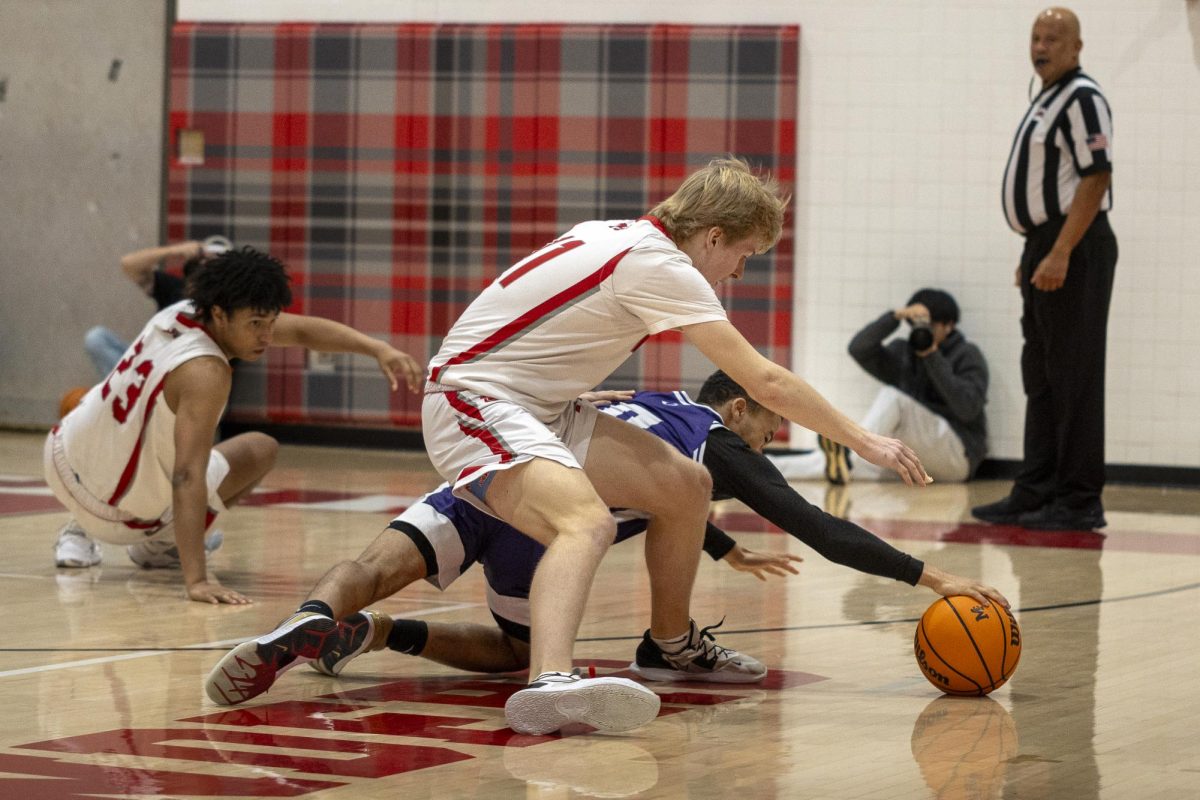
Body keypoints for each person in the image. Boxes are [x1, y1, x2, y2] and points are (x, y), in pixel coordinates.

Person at [210, 157, 933, 736]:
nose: (738, 274)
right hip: (475, 400)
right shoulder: (663, 264)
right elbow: (765, 379)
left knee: (685, 486)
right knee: (583, 521)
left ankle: (672, 643)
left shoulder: (615, 235)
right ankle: (548, 681)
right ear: (713, 236)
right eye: (742, 255)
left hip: (539, 406)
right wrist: (865, 439)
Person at [203, 372, 1004, 692]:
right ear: (735, 409)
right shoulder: (717, 444)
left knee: (372, 562)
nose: (771, 436)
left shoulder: (650, 396)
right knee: (517, 652)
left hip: (488, 473)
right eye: (771, 420)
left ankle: (315, 618)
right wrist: (931, 579)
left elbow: (658, 499)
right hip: (550, 522)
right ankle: (383, 635)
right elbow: (820, 527)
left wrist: (723, 545)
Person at [46, 246, 423, 603]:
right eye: (256, 323)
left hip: (59, 459)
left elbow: (304, 331)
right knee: (231, 457)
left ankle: (95, 532)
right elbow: (187, 476)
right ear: (220, 314)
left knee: (257, 448)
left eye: (271, 321)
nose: (267, 336)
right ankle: (161, 545)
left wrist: (378, 349)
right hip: (115, 517)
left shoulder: (179, 312)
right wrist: (197, 580)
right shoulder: (206, 371)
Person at [973, 7, 1116, 532]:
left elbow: (1095, 178)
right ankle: (1036, 489)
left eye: (1054, 38)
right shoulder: (1046, 98)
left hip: (1074, 247)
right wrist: (1033, 253)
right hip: (1046, 245)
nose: (1042, 45)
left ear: (1077, 47)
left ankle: (1079, 500)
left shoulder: (1083, 97)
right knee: (1043, 375)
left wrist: (1059, 251)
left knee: (1074, 376)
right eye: (1036, 36)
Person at [769, 289, 988, 484]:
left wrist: (932, 355)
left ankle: (853, 450)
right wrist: (895, 317)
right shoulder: (904, 353)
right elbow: (859, 349)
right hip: (914, 459)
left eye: (930, 325)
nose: (923, 330)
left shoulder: (967, 354)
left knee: (892, 398)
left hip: (958, 457)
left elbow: (967, 409)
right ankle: (767, 467)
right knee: (847, 466)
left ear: (948, 326)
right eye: (918, 325)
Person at [84, 238, 229, 378]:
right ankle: (125, 391)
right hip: (142, 366)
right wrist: (176, 250)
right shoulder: (176, 288)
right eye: (201, 262)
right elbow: (129, 264)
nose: (205, 265)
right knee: (96, 338)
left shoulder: (223, 311)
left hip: (177, 380)